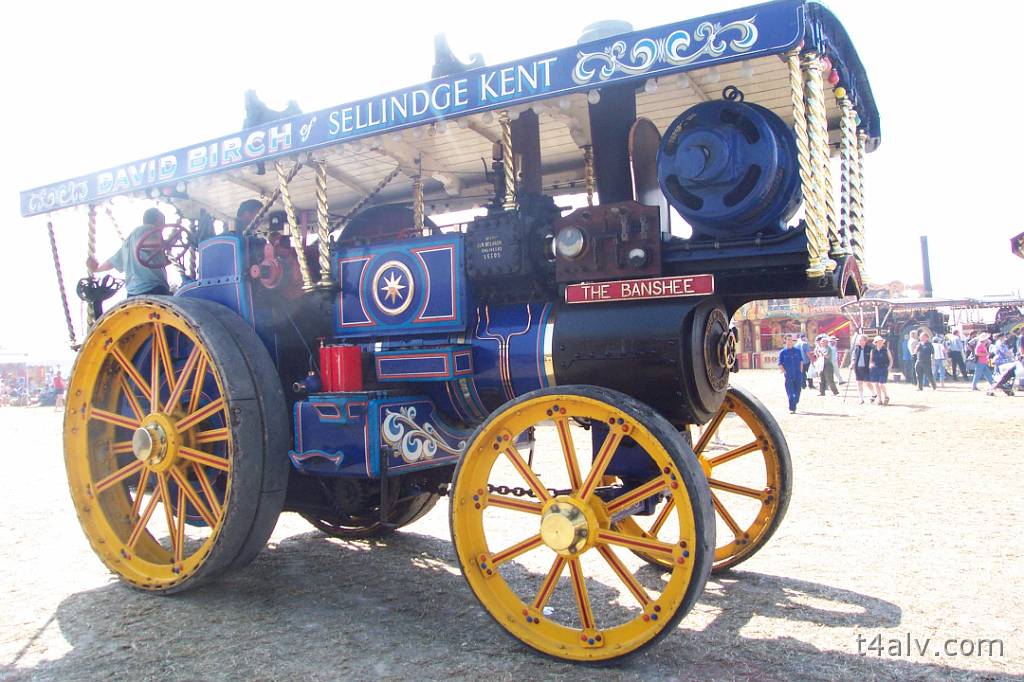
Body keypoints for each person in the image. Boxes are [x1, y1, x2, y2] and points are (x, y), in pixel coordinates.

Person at [86, 207, 170, 296]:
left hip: (133, 293)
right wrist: (168, 242)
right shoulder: (149, 230)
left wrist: (96, 269)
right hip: (153, 288)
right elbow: (148, 244)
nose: (164, 226)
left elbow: (112, 262)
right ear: (158, 221)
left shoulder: (128, 242)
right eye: (163, 222)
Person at [778, 334, 804, 414]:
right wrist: (784, 371)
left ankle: (795, 402)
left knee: (798, 391)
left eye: (791, 339)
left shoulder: (797, 351)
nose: (790, 341)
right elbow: (780, 363)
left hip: (797, 374)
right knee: (790, 392)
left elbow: (801, 361)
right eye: (788, 339)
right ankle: (792, 408)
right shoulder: (782, 352)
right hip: (788, 375)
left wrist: (800, 370)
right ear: (785, 340)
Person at [869, 336, 893, 405]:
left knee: (881, 384)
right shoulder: (873, 351)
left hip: (883, 368)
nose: (880, 343)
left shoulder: (886, 350)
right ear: (875, 343)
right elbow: (871, 360)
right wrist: (870, 365)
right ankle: (879, 400)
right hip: (875, 369)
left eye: (881, 342)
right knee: (876, 384)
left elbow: (891, 360)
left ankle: (886, 396)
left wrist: (890, 366)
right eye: (878, 342)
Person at [850, 333, 873, 404]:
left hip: (866, 368)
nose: (859, 341)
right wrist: (852, 363)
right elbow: (853, 357)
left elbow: (872, 358)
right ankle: (861, 398)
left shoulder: (870, 349)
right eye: (859, 340)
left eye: (861, 340)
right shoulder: (856, 348)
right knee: (859, 383)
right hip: (858, 368)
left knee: (867, 383)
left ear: (865, 341)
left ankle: (873, 393)